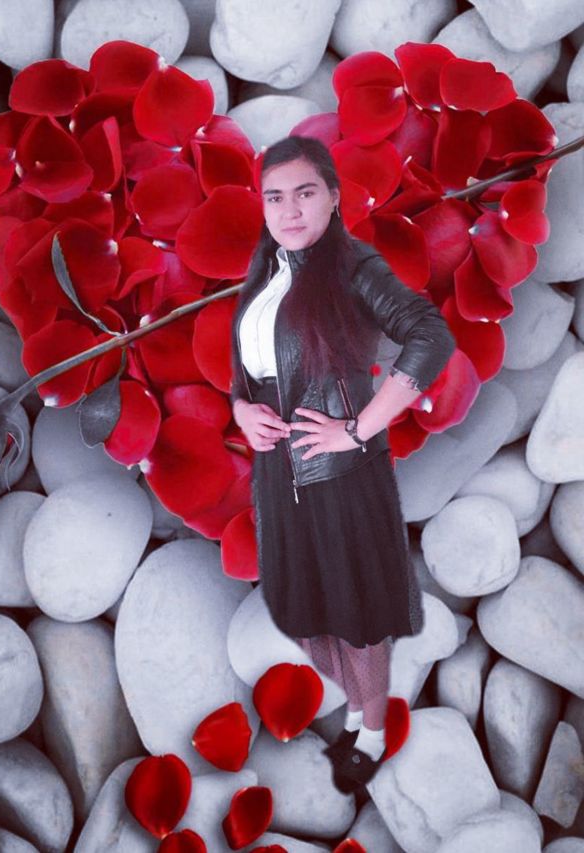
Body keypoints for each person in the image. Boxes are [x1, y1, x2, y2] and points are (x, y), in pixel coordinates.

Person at [229, 136, 456, 791]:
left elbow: (431, 335)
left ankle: (372, 733)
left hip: (340, 473)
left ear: (333, 196)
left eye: (305, 193)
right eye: (275, 197)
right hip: (280, 470)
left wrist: (359, 430)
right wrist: (241, 409)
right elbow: (251, 363)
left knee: (355, 617)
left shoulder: (354, 267)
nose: (290, 210)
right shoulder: (266, 269)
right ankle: (358, 709)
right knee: (305, 611)